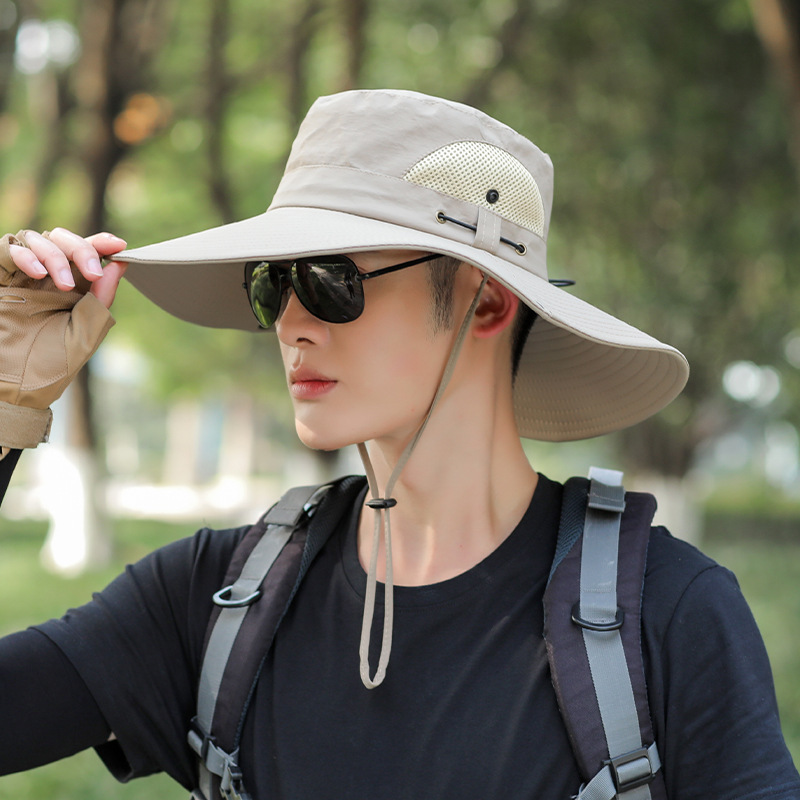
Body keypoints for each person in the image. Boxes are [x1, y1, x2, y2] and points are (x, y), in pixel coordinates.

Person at [0, 89, 798, 799]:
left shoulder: (668, 616)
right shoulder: (214, 600)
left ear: (486, 303)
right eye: (272, 284)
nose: (290, 324)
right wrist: (5, 407)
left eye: (330, 279)